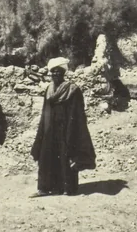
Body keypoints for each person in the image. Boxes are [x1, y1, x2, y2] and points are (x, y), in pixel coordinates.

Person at [30, 56, 97, 196]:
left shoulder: (72, 90)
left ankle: (68, 188)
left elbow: (77, 113)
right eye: (53, 71)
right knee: (47, 156)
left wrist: (72, 131)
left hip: (66, 129)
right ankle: (44, 188)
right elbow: (45, 112)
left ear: (63, 73)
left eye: (58, 71)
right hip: (50, 129)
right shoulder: (48, 90)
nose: (55, 74)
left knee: (67, 156)